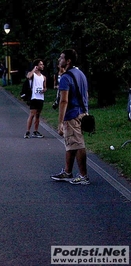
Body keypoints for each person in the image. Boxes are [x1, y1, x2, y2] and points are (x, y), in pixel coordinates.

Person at [50, 49, 90, 185]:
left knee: (78, 144)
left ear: (68, 61)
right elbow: (86, 94)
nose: (59, 60)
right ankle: (67, 172)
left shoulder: (66, 77)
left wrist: (60, 122)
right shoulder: (81, 74)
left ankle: (83, 176)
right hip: (82, 112)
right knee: (71, 143)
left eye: (61, 58)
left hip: (72, 114)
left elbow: (64, 100)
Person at [24, 59, 47, 139]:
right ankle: (27, 131)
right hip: (34, 97)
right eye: (41, 64)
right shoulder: (33, 75)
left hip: (40, 97)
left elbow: (44, 87)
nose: (42, 66)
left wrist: (44, 90)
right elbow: (28, 76)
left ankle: (35, 131)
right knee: (32, 114)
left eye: (42, 64)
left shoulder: (44, 77)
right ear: (37, 66)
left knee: (38, 115)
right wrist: (34, 69)